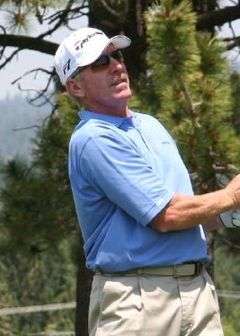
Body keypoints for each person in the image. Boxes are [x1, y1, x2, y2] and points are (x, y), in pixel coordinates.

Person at [54, 27, 240, 336]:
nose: (116, 65)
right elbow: (167, 216)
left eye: (116, 55)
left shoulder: (150, 125)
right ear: (75, 87)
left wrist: (232, 214)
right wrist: (233, 195)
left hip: (197, 292)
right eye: (99, 62)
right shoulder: (93, 138)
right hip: (137, 301)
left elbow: (189, 218)